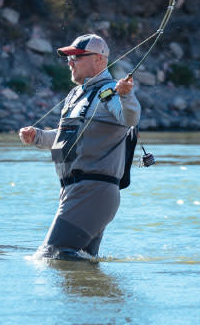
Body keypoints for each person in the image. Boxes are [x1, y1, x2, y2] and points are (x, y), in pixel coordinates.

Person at [19, 33, 140, 257]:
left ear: (99, 60)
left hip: (93, 190)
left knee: (51, 256)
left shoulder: (111, 92)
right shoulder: (75, 94)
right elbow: (66, 140)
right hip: (74, 191)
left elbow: (130, 119)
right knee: (79, 263)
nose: (70, 62)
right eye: (68, 57)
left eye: (77, 56)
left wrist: (126, 96)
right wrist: (36, 136)